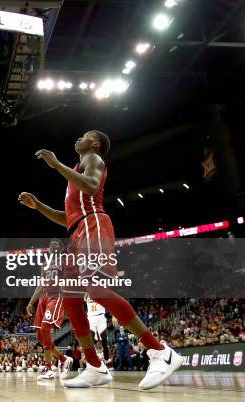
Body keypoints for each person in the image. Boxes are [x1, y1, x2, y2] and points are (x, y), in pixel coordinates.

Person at [18, 130, 182, 389]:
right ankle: (95, 365)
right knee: (70, 297)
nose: (77, 138)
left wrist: (57, 164)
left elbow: (92, 186)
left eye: (83, 136)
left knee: (96, 289)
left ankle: (160, 351)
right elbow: (67, 218)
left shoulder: (93, 158)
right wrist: (39, 206)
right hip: (77, 231)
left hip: (93, 225)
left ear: (93, 144)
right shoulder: (76, 171)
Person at [26, 238, 73, 380]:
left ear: (61, 247)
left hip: (56, 296)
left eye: (56, 244)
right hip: (43, 298)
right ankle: (64, 359)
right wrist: (31, 302)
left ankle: (49, 367)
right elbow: (41, 283)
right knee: (41, 336)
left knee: (46, 329)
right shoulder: (44, 264)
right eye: (51, 245)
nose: (53, 246)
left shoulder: (65, 261)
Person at [86, 295, 110, 363]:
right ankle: (91, 360)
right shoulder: (86, 294)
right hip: (91, 318)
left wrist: (114, 315)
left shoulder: (101, 292)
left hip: (101, 317)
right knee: (91, 341)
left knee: (104, 340)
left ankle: (106, 360)